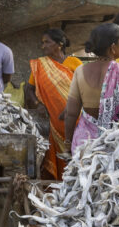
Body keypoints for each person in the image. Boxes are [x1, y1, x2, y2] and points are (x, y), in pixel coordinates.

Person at [65, 24, 119, 153]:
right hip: (115, 146)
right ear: (113, 47)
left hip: (83, 144)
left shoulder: (80, 71)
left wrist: (68, 143)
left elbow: (70, 114)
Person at [25, 29, 82, 180]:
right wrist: (38, 105)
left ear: (59, 45)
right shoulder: (40, 64)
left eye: (47, 42)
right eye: (42, 43)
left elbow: (83, 89)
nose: (43, 46)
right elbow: (29, 89)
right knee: (55, 153)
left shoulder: (74, 63)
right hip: (52, 120)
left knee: (76, 152)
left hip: (75, 119)